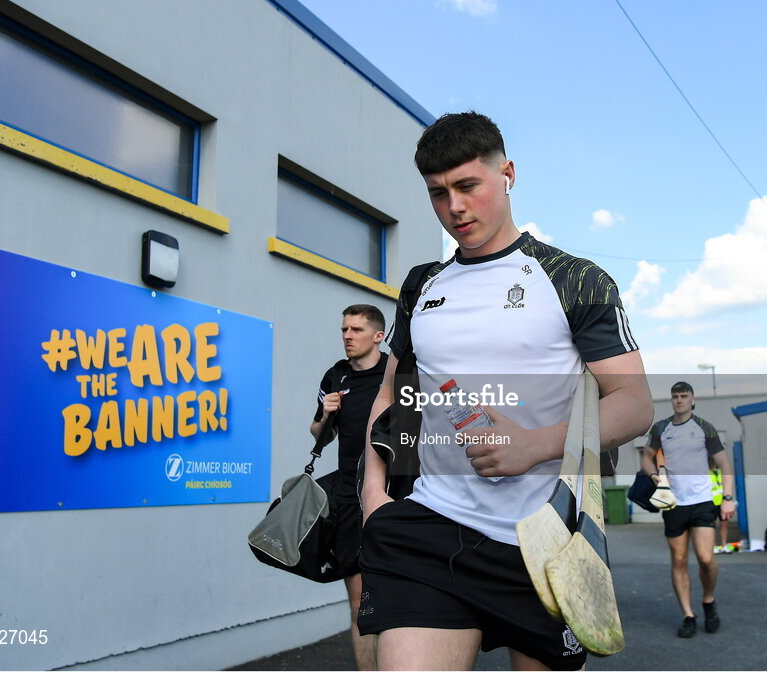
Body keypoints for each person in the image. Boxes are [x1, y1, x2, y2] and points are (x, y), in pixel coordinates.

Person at [358, 112, 653, 671]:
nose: (455, 208)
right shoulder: (423, 284)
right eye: (438, 194)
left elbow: (635, 404)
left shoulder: (573, 278)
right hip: (432, 527)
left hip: (542, 543)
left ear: (507, 174)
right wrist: (375, 497)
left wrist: (534, 445)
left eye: (468, 186)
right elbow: (390, 394)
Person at [309, 304, 388, 671]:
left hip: (396, 494)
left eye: (356, 330)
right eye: (344, 329)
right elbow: (319, 437)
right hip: (347, 497)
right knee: (359, 603)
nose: (347, 336)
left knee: (397, 598)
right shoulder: (335, 376)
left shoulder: (398, 372)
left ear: (378, 335)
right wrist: (327, 413)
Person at [641, 381, 736, 638]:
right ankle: (688, 614)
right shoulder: (661, 428)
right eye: (675, 396)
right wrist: (655, 479)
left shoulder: (705, 427)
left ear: (692, 400)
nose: (679, 400)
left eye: (684, 396)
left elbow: (725, 465)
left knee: (706, 559)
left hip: (702, 501)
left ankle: (708, 599)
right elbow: (646, 457)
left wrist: (728, 498)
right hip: (672, 502)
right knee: (679, 560)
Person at [709, 459, 730, 553]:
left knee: (724, 524)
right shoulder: (706, 473)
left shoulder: (720, 472)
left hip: (722, 502)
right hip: (711, 502)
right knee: (712, 525)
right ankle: (713, 546)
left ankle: (724, 545)